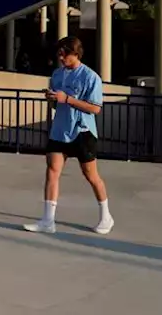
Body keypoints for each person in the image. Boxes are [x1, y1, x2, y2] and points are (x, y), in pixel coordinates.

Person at [24, 36, 114, 235]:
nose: (61, 57)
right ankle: (48, 220)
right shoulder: (57, 75)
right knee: (52, 171)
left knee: (90, 175)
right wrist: (53, 99)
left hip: (83, 130)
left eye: (65, 53)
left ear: (76, 54)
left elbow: (95, 108)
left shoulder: (91, 77)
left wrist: (68, 99)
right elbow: (58, 103)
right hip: (60, 130)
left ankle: (106, 216)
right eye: (59, 53)